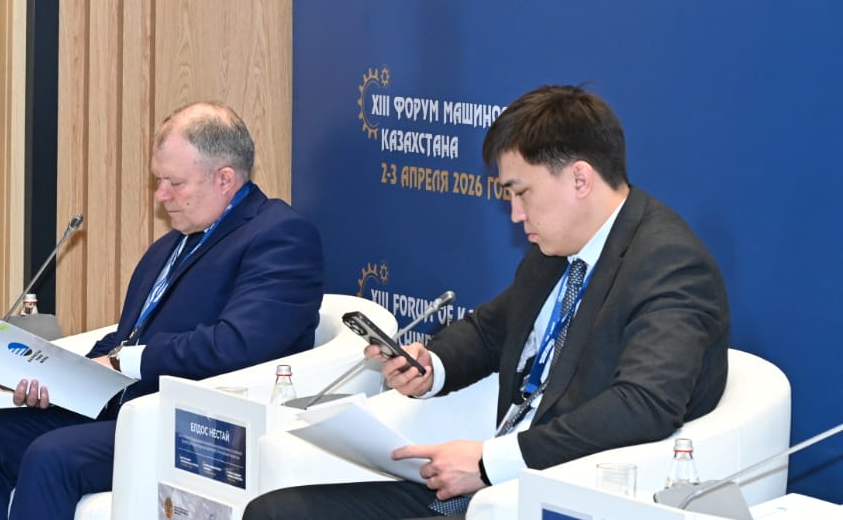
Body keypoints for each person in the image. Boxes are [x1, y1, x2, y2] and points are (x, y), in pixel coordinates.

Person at [245, 85, 730, 520]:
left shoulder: (668, 263)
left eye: (522, 193)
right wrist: (431, 367)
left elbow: (644, 404)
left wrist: (488, 462)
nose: (515, 214)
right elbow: (489, 331)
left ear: (580, 180)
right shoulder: (556, 250)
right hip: (482, 489)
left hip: (546, 495)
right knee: (275, 512)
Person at [0, 102, 326, 520]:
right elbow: (126, 337)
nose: (161, 195)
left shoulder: (280, 236)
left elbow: (238, 345)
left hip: (195, 427)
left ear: (224, 179)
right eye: (159, 180)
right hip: (121, 409)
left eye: (174, 183)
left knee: (52, 455)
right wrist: (54, 375)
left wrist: (124, 360)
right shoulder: (172, 244)